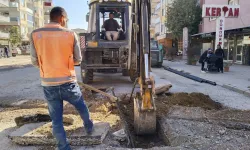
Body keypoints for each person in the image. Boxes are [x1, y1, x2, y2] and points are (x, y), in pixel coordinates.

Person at [30, 7, 93, 150]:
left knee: (56, 120)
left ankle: (63, 147)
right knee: (81, 106)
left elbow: (34, 62)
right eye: (66, 19)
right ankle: (89, 127)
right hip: (68, 83)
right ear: (62, 17)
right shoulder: (71, 34)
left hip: (49, 84)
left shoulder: (35, 34)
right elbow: (78, 60)